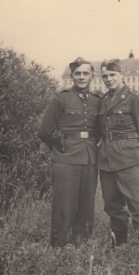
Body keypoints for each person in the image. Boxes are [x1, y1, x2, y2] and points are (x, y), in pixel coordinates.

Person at [38, 57, 101, 247]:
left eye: (85, 73)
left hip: (90, 157)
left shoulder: (97, 100)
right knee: (64, 205)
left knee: (86, 203)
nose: (82, 77)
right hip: (65, 158)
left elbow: (98, 131)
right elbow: (45, 130)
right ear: (72, 76)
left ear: (92, 76)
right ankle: (58, 246)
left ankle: (80, 245)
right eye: (77, 74)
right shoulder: (61, 98)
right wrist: (60, 149)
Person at [97, 58, 139, 257]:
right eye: (105, 76)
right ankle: (119, 249)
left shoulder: (135, 98)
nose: (109, 79)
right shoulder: (104, 100)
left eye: (112, 75)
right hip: (106, 161)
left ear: (122, 75)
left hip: (130, 160)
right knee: (113, 207)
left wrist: (137, 155)